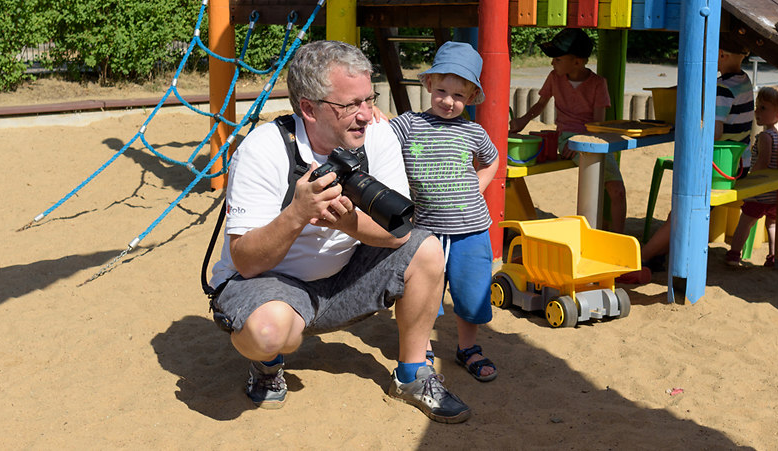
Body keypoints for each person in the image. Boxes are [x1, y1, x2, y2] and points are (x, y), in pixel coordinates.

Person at [208, 40, 471, 423]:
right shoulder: (263, 149)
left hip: (344, 278)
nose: (366, 115)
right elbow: (245, 261)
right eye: (350, 105)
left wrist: (347, 222)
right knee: (267, 332)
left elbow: (400, 232)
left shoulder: (377, 136)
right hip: (272, 283)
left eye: (369, 99)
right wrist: (297, 213)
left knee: (426, 248)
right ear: (308, 109)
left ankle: (413, 374)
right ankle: (267, 364)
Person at [388, 42, 500, 383]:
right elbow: (380, 141)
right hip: (425, 232)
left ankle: (467, 348)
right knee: (423, 294)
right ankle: (421, 346)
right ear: (429, 86)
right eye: (442, 91)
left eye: (459, 96)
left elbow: (493, 160)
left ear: (470, 98)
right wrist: (377, 118)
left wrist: (477, 187)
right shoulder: (409, 125)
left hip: (471, 230)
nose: (449, 101)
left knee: (471, 292)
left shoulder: (473, 132)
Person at [618, 34, 754, 284]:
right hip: (740, 162)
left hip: (722, 167)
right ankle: (659, 253)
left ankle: (643, 258)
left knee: (682, 208)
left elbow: (716, 132)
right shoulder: (744, 80)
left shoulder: (722, 88)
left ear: (720, 55)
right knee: (682, 209)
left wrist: (692, 132)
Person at [507, 28, 627, 234]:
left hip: (592, 138)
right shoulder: (554, 78)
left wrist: (584, 141)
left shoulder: (598, 84)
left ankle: (619, 236)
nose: (552, 62)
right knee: (593, 185)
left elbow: (598, 122)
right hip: (566, 139)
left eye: (558, 59)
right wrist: (522, 122)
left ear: (578, 62)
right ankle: (592, 232)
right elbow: (540, 104)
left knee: (617, 191)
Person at [725, 86, 778, 268]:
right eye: (757, 106)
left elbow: (762, 163)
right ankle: (773, 256)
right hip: (774, 191)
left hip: (760, 190)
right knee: (772, 225)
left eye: (763, 108)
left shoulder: (765, 136)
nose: (757, 111)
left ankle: (734, 254)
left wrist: (749, 179)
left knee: (745, 223)